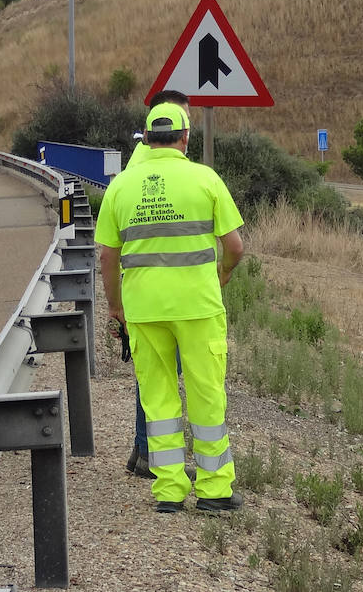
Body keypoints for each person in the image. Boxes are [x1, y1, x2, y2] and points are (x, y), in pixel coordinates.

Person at [96, 101, 245, 513]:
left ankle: (168, 492)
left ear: (145, 138)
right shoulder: (205, 179)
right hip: (198, 306)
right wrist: (224, 274)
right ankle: (215, 491)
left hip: (144, 310)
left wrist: (115, 308)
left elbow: (107, 256)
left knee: (158, 400)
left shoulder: (121, 187)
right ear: (184, 138)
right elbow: (234, 246)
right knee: (206, 395)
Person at [121, 90, 191, 480]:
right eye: (184, 120)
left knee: (151, 374)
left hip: (143, 286)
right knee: (160, 375)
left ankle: (141, 448)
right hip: (164, 289)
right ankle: (149, 452)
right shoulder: (156, 165)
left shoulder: (140, 160)